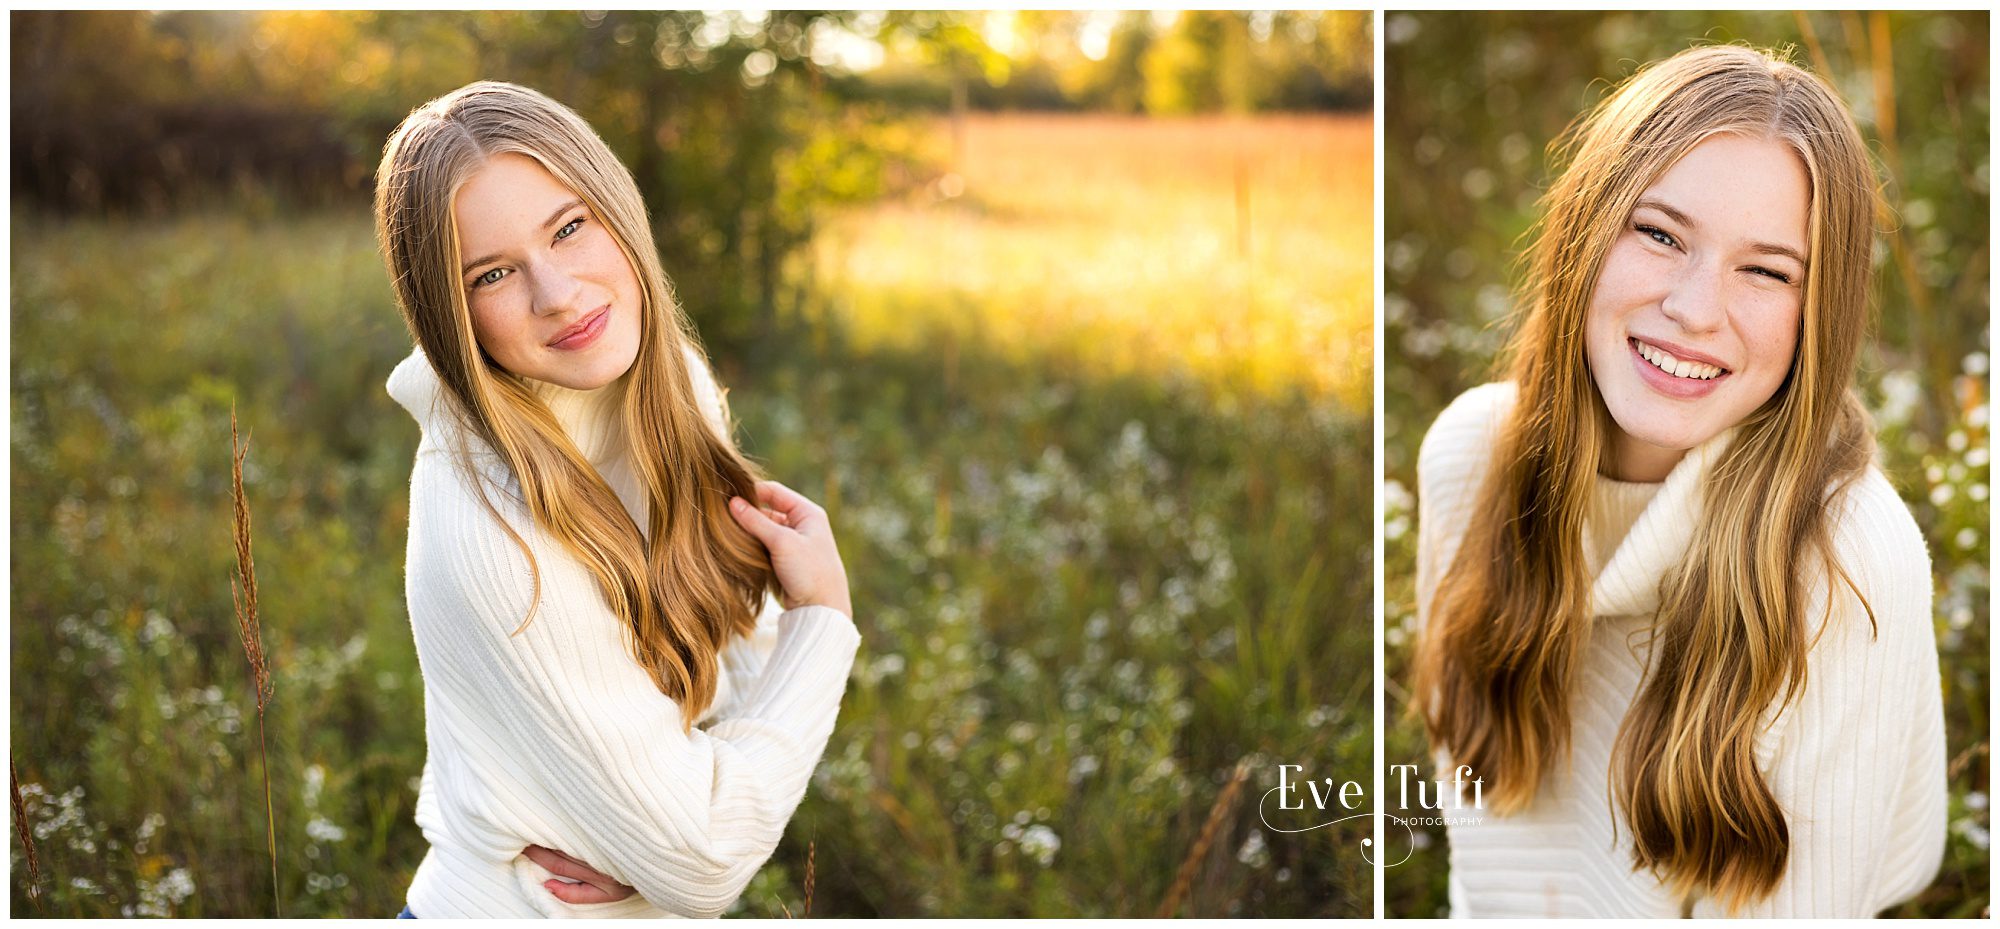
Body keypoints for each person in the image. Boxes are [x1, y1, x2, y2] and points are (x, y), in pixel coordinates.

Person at [1410, 45, 1946, 917]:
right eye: (1660, 234)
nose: (1697, 308)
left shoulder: (1846, 563)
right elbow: (1482, 857)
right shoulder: (1470, 455)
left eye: (1768, 271)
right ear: (1584, 235)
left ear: (1821, 314)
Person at [374, 80, 861, 917]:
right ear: (450, 314)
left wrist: (645, 835)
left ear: (616, 208)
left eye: (569, 227)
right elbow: (706, 857)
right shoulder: (487, 527)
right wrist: (823, 615)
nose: (557, 293)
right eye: (493, 273)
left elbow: (729, 673)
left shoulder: (661, 386)